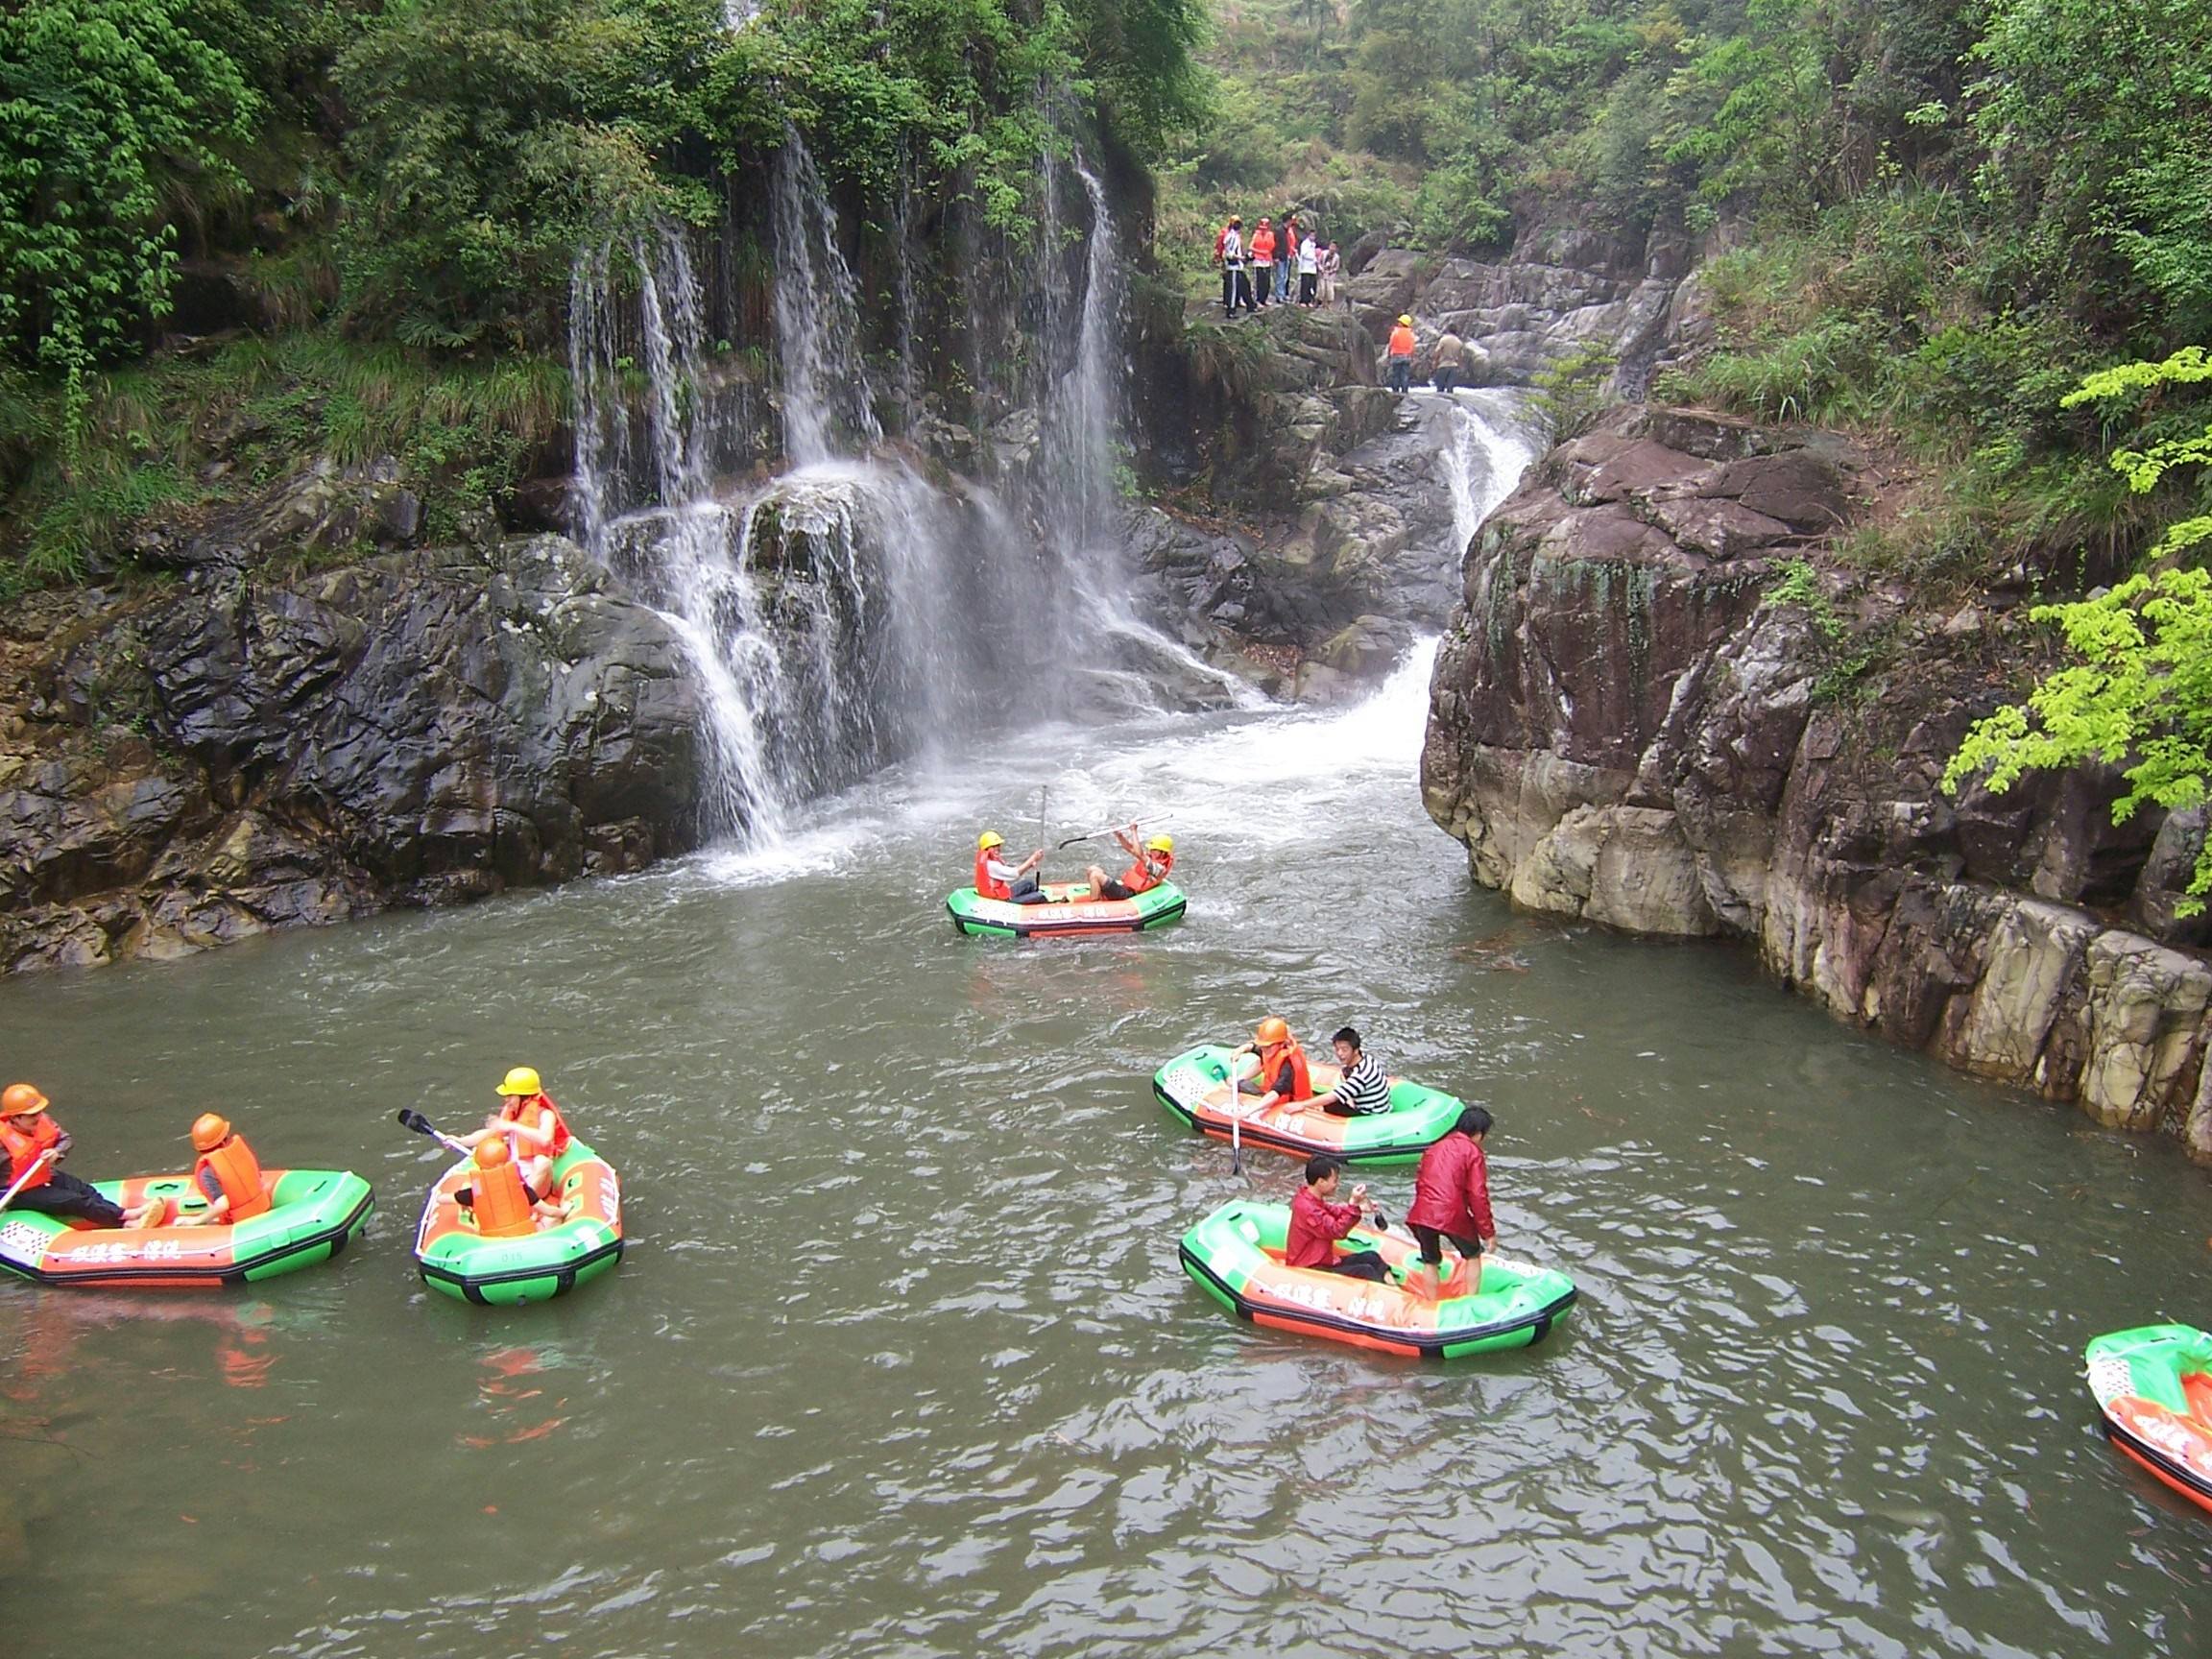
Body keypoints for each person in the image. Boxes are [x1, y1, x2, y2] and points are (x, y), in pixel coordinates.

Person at [0, 1082, 155, 1228]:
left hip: (43, 1175)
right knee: (73, 1200)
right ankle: (125, 1218)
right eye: (31, 1115)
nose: (38, 1117)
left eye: (38, 1112)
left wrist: (56, 1152)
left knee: (85, 1190)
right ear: (15, 1118)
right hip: (18, 1193)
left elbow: (65, 1139)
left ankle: (118, 1218)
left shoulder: (42, 1122)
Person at [1404, 1105, 1497, 1301]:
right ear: (1479, 1134)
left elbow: (1421, 1183)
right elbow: (1478, 1194)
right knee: (1473, 1255)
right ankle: (1471, 1300)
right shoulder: (1472, 1152)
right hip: (1452, 1214)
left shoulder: (1434, 1148)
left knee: (1430, 1261)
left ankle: (1431, 1303)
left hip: (1423, 1213)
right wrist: (1487, 1232)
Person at [461, 1067, 573, 1207]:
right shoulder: (510, 1113)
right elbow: (488, 1133)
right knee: (480, 1171)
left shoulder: (545, 1115)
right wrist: (460, 1140)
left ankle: (521, 1203)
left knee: (543, 1162)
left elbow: (545, 1139)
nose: (506, 1100)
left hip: (536, 1182)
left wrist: (512, 1126)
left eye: (510, 1096)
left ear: (525, 1097)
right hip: (512, 1176)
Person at [1286, 1155, 1389, 1282]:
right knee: (1365, 1271)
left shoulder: (1310, 1199)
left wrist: (1359, 1208)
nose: (1337, 1185)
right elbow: (1336, 1231)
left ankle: (1394, 1289)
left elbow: (1334, 1211)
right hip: (1311, 1266)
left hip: (1324, 1261)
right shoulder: (1308, 1209)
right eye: (1334, 1181)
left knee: (1372, 1257)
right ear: (1321, 1182)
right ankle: (1387, 1293)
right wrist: (1353, 1205)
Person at [176, 1113, 272, 1227]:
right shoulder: (239, 1154)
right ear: (224, 1139)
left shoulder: (207, 1172)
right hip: (264, 1209)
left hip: (241, 1224)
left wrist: (195, 1220)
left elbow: (222, 1205)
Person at [1231, 1016, 1313, 1110]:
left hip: (1288, 1103)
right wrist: (1241, 1049)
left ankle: (1233, 1083)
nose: (1264, 1049)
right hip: (1271, 1092)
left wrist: (1247, 1112)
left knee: (1242, 1085)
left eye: (1268, 1046)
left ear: (1282, 1043)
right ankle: (1236, 1080)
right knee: (1258, 1063)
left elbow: (1276, 1093)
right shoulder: (1271, 1049)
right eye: (1262, 1046)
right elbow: (1254, 1047)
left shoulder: (1288, 1065)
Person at [1308, 1027, 1392, 1118]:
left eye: (1344, 1050)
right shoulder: (1366, 1058)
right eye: (1337, 1049)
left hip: (1370, 1115)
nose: (1339, 1053)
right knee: (1345, 1074)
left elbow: (1334, 1096)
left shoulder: (1361, 1075)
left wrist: (1302, 1105)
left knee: (1330, 1105)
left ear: (1355, 1050)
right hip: (1370, 1104)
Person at [1085, 827, 1173, 901]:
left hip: (1129, 895)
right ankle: (1098, 896)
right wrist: (1120, 836)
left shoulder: (1159, 868)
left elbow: (1139, 854)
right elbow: (1131, 849)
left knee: (1095, 875)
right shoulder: (1151, 858)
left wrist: (1134, 831)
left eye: (1154, 849)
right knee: (1092, 869)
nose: (1150, 850)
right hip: (1125, 888)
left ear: (1163, 852)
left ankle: (1095, 905)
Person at [974, 830, 1053, 905]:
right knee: (1039, 896)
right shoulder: (991, 865)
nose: (997, 848)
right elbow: (1014, 874)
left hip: (1004, 893)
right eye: (993, 846)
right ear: (986, 849)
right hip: (1002, 901)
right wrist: (1033, 858)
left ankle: (1031, 900)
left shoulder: (989, 861)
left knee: (1029, 883)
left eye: (998, 845)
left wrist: (1029, 865)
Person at [1217, 217, 1257, 319]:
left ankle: (1250, 305)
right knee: (1233, 289)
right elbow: (1229, 253)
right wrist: (1241, 258)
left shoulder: (1234, 236)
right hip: (1233, 267)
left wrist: (1245, 257)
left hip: (1237, 266)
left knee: (1245, 285)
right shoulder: (1232, 237)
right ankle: (1231, 311)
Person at [1386, 314, 1418, 394]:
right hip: (1407, 357)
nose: (1398, 323)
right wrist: (1412, 357)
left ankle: (1395, 391)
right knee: (1405, 374)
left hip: (1396, 356)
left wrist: (1388, 355)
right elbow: (1413, 346)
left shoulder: (1396, 332)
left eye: (1399, 322)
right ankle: (1405, 390)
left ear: (1402, 323)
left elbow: (1390, 344)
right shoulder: (1410, 333)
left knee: (1396, 374)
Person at [1248, 219, 1276, 307]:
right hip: (1258, 260)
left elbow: (1272, 247)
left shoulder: (1271, 235)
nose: (1263, 230)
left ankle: (1264, 299)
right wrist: (1260, 252)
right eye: (1262, 228)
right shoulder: (1256, 235)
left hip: (1267, 260)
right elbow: (1250, 247)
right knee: (1259, 280)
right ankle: (1258, 300)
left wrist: (1267, 253)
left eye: (1265, 228)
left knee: (1266, 281)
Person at [1276, 211, 1300, 303]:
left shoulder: (1288, 231)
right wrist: (1276, 256)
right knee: (1280, 276)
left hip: (1287, 255)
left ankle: (1283, 294)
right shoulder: (1279, 230)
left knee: (1285, 276)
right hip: (1280, 256)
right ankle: (1279, 295)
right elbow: (1276, 244)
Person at [1432, 329, 1466, 394]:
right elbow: (1460, 356)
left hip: (1443, 365)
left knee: (1440, 388)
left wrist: (1435, 363)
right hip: (1453, 366)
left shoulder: (1443, 340)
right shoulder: (1459, 342)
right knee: (1450, 388)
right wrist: (1460, 367)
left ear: (1448, 331)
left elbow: (1437, 351)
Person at [1296, 233, 1320, 307]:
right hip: (1305, 268)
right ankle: (1303, 300)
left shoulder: (1314, 244)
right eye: (1311, 236)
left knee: (1311, 285)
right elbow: (1304, 254)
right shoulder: (1305, 244)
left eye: (1314, 236)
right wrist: (1313, 257)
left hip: (1312, 268)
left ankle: (1309, 300)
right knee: (1305, 285)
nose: (1313, 237)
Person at [1318, 242, 1342, 308]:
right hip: (1322, 273)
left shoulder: (1337, 257)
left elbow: (1337, 267)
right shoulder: (1323, 253)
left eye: (1334, 247)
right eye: (1331, 246)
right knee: (1322, 289)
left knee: (1329, 290)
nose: (1332, 248)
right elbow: (1319, 262)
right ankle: (1321, 302)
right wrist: (1321, 269)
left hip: (1331, 275)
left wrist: (1332, 271)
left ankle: (1329, 304)